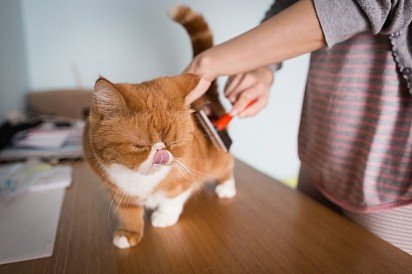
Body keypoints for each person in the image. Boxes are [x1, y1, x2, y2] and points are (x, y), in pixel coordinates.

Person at [185, 0, 412, 255]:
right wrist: (263, 67)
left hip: (390, 179)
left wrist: (208, 65)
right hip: (318, 153)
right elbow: (289, 3)